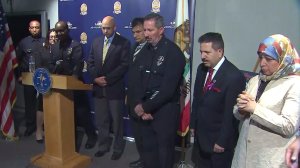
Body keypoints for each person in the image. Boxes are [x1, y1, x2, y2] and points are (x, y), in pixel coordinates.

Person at [231, 34, 300, 168]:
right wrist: (240, 108)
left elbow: (289, 126)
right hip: (243, 157)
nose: (262, 63)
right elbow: (238, 113)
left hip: (269, 160)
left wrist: (254, 109)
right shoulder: (255, 80)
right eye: (261, 57)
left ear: (283, 59)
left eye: (268, 59)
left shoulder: (295, 84)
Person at [132, 13, 185, 168]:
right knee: (148, 153)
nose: (146, 34)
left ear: (161, 30)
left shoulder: (174, 53)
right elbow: (135, 81)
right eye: (145, 30)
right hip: (144, 112)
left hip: (164, 113)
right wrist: (139, 105)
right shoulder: (143, 51)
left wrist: (145, 107)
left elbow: (167, 90)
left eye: (150, 30)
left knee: (164, 155)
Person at [190, 32, 246, 168]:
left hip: (218, 142)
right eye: (201, 52)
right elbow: (197, 99)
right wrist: (192, 124)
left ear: (219, 51)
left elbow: (231, 114)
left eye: (207, 52)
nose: (202, 56)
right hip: (200, 138)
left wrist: (222, 141)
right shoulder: (202, 69)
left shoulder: (233, 76)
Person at [87, 16, 130, 160]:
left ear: (115, 27)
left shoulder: (124, 43)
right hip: (98, 88)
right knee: (101, 120)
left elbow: (124, 65)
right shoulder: (96, 42)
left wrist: (107, 79)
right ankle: (103, 146)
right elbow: (90, 62)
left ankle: (117, 148)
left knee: (117, 122)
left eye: (108, 28)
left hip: (114, 88)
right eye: (103, 28)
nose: (105, 31)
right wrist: (95, 79)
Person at [52, 21, 97, 151]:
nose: (59, 33)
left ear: (68, 30)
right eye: (57, 31)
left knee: (82, 113)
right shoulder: (54, 47)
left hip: (74, 85)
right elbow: (52, 64)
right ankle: (70, 141)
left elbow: (77, 66)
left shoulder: (76, 45)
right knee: (66, 116)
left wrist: (62, 66)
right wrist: (57, 66)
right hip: (59, 86)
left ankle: (91, 136)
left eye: (62, 31)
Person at [15, 20, 45, 137]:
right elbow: (16, 60)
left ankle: (42, 125)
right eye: (32, 27)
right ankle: (30, 126)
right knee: (29, 103)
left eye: (37, 27)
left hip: (42, 77)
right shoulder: (24, 43)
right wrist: (19, 76)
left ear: (40, 28)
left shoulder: (45, 42)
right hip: (28, 77)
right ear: (29, 29)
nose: (34, 29)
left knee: (42, 103)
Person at [127, 17, 147, 168]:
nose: (135, 35)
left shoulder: (151, 49)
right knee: (138, 134)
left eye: (138, 32)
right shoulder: (134, 47)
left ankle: (148, 161)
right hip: (132, 96)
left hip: (144, 100)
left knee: (146, 135)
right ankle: (142, 159)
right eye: (133, 32)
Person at [34, 28, 57, 143]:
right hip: (44, 82)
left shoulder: (61, 49)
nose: (53, 38)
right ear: (48, 38)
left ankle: (51, 131)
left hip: (58, 83)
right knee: (40, 106)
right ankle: (38, 130)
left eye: (55, 36)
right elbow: (38, 66)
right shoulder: (42, 50)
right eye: (51, 36)